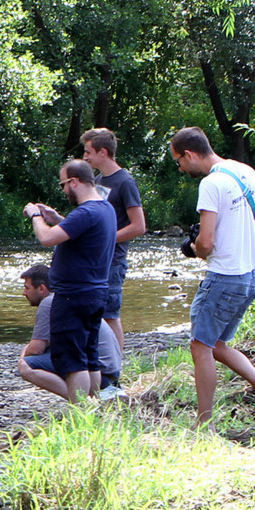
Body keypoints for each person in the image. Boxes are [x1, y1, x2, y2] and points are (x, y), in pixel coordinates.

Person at [170, 126, 255, 427]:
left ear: (189, 154)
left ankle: (204, 424)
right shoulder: (243, 170)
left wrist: (194, 248)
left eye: (179, 161)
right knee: (217, 345)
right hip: (249, 276)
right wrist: (235, 235)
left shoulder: (211, 184)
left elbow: (207, 244)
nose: (181, 168)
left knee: (200, 346)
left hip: (224, 278)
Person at [24, 159, 117, 399]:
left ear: (74, 182)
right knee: (89, 358)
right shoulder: (105, 209)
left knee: (74, 361)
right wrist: (57, 218)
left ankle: (80, 414)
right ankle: (93, 409)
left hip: (72, 296)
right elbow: (82, 233)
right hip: (95, 294)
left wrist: (36, 216)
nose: (64, 190)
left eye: (64, 185)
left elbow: (46, 238)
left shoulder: (86, 211)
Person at [80, 128, 146, 399]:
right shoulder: (96, 181)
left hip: (113, 260)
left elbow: (139, 226)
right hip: (96, 259)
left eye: (87, 152)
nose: (84, 157)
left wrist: (106, 240)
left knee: (111, 314)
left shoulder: (125, 182)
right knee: (95, 312)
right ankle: (100, 368)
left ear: (102, 152)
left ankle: (115, 374)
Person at [17, 263, 119, 401]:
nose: (24, 293)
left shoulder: (49, 302)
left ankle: (80, 401)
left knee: (25, 366)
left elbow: (36, 349)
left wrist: (23, 354)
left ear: (41, 288)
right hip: (109, 371)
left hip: (97, 372)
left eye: (27, 288)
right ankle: (87, 399)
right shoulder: (70, 297)